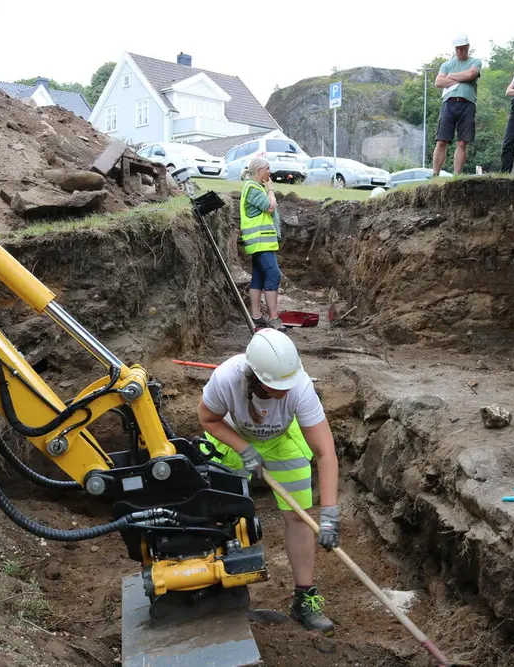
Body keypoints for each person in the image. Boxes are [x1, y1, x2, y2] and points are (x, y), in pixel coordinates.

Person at [198, 329, 341, 634]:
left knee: (299, 517)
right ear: (259, 379)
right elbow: (208, 419)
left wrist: (329, 513)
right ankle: (209, 588)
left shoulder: (300, 387)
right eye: (280, 387)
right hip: (232, 439)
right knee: (212, 512)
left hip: (280, 441)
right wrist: (244, 449)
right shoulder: (227, 378)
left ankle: (304, 599)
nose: (287, 391)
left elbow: (325, 452)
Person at [240, 158, 285, 331]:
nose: (270, 171)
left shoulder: (254, 187)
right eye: (267, 168)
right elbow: (269, 207)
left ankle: (257, 316)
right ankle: (273, 318)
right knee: (274, 275)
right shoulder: (253, 188)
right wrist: (271, 190)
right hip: (260, 242)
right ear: (258, 171)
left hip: (260, 242)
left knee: (258, 277)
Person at [432, 33, 482, 176]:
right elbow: (438, 82)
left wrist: (450, 76)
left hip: (467, 104)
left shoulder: (475, 61)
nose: (460, 51)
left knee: (462, 142)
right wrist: (461, 77)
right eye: (457, 49)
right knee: (442, 140)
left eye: (462, 48)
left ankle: (456, 175)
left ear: (467, 47)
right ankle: (435, 173)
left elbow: (470, 75)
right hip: (449, 103)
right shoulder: (447, 64)